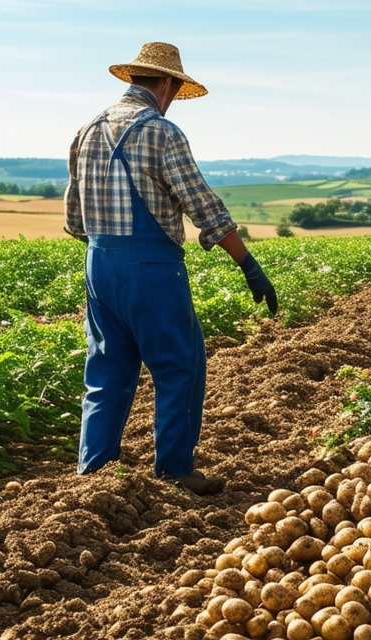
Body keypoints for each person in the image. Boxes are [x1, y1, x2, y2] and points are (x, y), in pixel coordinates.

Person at [64, 42, 276, 495]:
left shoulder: (86, 130)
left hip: (99, 264)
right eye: (175, 89)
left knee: (106, 371)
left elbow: (73, 218)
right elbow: (205, 207)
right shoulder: (162, 132)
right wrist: (248, 264)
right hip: (153, 268)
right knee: (180, 365)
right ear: (165, 83)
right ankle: (175, 471)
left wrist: (108, 249)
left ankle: (94, 478)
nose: (174, 97)